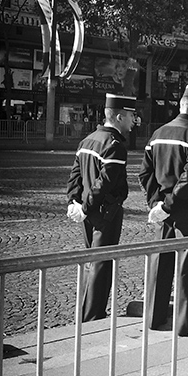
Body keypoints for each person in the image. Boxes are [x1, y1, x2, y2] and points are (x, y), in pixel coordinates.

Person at [139, 83, 188, 334]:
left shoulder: (157, 133)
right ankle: (185, 323)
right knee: (185, 266)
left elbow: (144, 173)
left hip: (162, 208)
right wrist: (170, 206)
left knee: (160, 262)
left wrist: (156, 204)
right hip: (184, 210)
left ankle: (154, 317)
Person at [66, 93, 136, 321]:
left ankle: (87, 311)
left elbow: (75, 176)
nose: (134, 121)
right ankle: (93, 315)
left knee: (92, 261)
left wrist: (73, 202)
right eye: (131, 116)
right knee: (102, 263)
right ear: (118, 117)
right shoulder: (114, 146)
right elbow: (103, 183)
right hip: (105, 213)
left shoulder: (87, 140)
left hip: (88, 212)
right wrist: (85, 207)